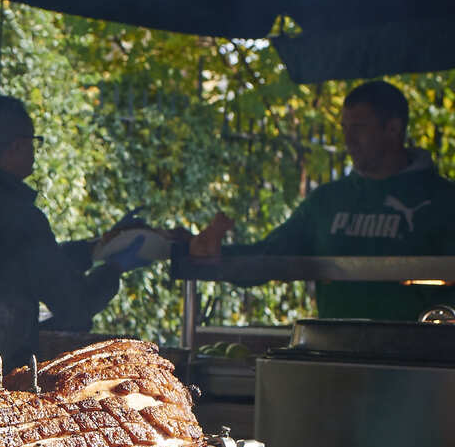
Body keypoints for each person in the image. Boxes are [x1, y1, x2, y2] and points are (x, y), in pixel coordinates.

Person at [0, 94, 146, 391]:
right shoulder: (20, 216)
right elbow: (74, 306)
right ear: (16, 146)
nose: (35, 151)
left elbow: (18, 266)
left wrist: (93, 249)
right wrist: (114, 268)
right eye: (33, 142)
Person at [191, 80, 455, 320]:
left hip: (420, 353)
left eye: (359, 128)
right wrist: (220, 255)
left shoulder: (443, 201)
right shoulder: (327, 201)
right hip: (336, 350)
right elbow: (272, 254)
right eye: (345, 129)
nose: (348, 140)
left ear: (393, 129)